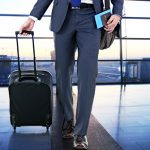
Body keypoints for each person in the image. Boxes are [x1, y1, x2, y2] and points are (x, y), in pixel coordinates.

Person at [20, 0, 124, 149]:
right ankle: (69, 119)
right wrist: (32, 18)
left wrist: (118, 13)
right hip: (63, 16)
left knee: (88, 74)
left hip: (91, 17)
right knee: (62, 72)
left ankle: (81, 133)